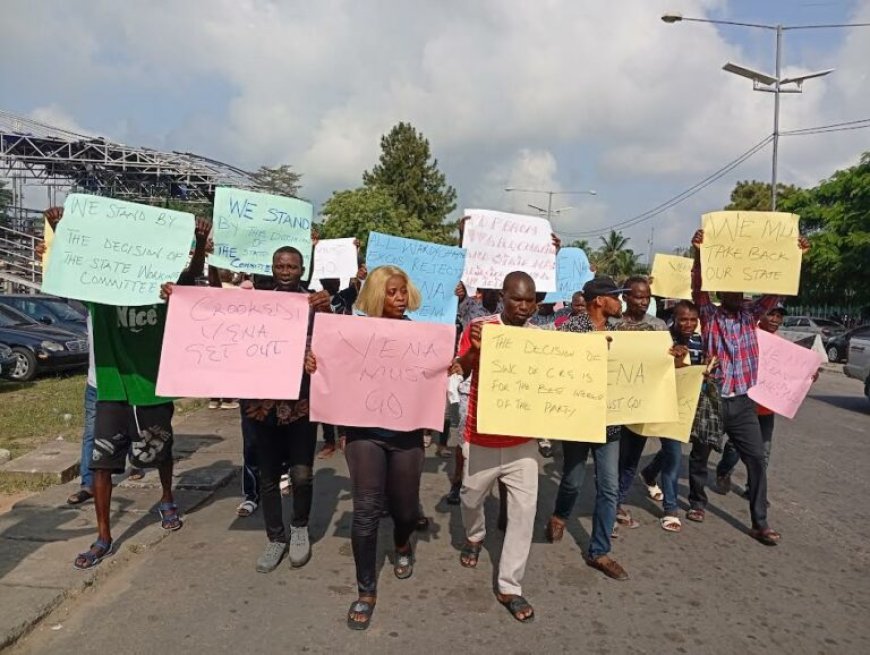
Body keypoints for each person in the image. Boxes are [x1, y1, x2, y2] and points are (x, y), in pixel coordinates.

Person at [68, 212, 210, 570]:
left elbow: (190, 279)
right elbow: (70, 269)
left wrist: (197, 245)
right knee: (101, 463)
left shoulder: (161, 290)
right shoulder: (98, 292)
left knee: (160, 453)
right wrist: (59, 229)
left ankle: (166, 496)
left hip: (152, 385)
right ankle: (103, 536)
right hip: (112, 388)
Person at [306, 265, 433, 631]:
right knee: (365, 510)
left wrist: (449, 365)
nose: (399, 298)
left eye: (403, 291)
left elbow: (432, 371)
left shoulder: (420, 334)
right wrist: (314, 363)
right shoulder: (353, 331)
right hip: (364, 434)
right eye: (392, 292)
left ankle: (403, 543)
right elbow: (329, 362)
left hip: (406, 434)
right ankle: (365, 590)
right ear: (377, 294)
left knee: (406, 511)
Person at [687, 229, 810, 546]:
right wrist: (699, 252)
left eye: (740, 290)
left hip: (742, 402)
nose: (736, 294)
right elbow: (698, 285)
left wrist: (795, 256)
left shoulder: (751, 314)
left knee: (756, 459)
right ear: (721, 291)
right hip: (712, 399)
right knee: (700, 455)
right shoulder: (709, 314)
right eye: (729, 289)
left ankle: (760, 522)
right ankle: (698, 502)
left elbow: (775, 292)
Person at [219, 246, 331, 572]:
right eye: (280, 266)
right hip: (262, 405)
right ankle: (275, 538)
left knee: (302, 474)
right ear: (272, 268)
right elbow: (228, 327)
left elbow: (337, 342)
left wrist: (328, 316)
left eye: (292, 266)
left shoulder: (315, 303)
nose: (285, 271)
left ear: (302, 269)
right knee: (267, 475)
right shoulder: (256, 305)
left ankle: (298, 528)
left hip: (301, 403)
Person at [456, 271, 540, 623]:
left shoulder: (542, 338)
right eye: (517, 299)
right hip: (482, 437)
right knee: (469, 497)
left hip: (523, 444)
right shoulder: (479, 328)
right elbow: (460, 370)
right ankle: (475, 536)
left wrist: (595, 355)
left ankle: (510, 586)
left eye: (530, 300)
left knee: (523, 515)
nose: (523, 306)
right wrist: (475, 351)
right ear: (502, 297)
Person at [544, 276, 630, 581]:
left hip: (611, 423)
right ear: (599, 301)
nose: (621, 302)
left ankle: (599, 552)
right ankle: (560, 514)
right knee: (573, 480)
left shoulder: (624, 333)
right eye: (617, 296)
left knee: (608, 486)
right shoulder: (570, 329)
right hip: (578, 419)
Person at [714, 304, 815, 497]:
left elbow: (792, 373)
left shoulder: (783, 346)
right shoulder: (748, 336)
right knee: (735, 447)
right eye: (772, 314)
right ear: (761, 316)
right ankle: (724, 471)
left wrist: (808, 374)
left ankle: (754, 490)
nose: (776, 319)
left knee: (764, 450)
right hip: (745, 404)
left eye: (779, 316)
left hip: (767, 408)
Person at [637, 300, 704, 532]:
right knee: (674, 454)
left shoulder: (699, 341)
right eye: (683, 319)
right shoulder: (663, 338)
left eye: (693, 319)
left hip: (685, 405)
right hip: (661, 404)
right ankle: (670, 509)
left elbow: (697, 370)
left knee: (670, 450)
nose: (688, 324)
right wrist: (673, 359)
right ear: (674, 318)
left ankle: (649, 472)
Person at [611, 276, 670, 532]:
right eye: (638, 296)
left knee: (631, 459)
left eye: (647, 297)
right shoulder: (612, 325)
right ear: (625, 297)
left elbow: (664, 365)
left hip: (641, 405)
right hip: (613, 403)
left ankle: (617, 501)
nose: (644, 301)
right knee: (612, 458)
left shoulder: (658, 327)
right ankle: (608, 505)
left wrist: (674, 355)